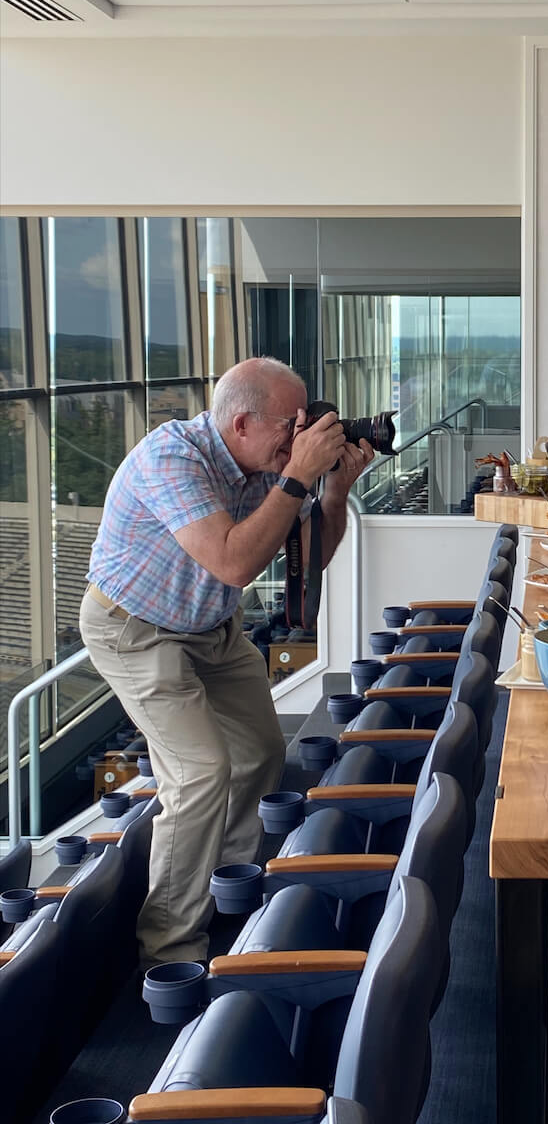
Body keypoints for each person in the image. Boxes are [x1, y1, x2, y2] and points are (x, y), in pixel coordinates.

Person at [79, 357, 373, 968]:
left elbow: (308, 562)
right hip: (136, 630)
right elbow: (235, 564)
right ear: (241, 423)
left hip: (210, 627)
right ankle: (168, 947)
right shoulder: (174, 459)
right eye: (290, 425)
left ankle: (224, 888)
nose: (302, 435)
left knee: (264, 751)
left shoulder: (266, 465)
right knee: (200, 773)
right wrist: (296, 479)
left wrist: (334, 491)